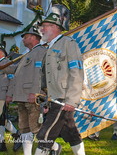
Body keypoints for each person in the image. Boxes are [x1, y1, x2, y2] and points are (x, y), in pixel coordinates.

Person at [34, 13, 85, 155]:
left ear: (55, 27)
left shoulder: (69, 43)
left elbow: (77, 71)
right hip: (54, 99)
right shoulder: (49, 48)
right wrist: (46, 100)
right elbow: (47, 78)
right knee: (70, 132)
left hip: (63, 99)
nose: (41, 29)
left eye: (44, 26)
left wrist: (72, 100)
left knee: (45, 135)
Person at [4, 27, 47, 155]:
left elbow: (39, 73)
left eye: (25, 37)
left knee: (36, 128)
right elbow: (13, 70)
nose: (22, 39)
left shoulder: (40, 51)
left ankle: (54, 147)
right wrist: (3, 60)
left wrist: (34, 92)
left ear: (33, 37)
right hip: (22, 96)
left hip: (32, 96)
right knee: (24, 128)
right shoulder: (27, 53)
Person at [0, 43, 22, 152]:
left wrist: (9, 94)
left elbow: (12, 78)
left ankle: (15, 135)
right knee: (1, 119)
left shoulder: (6, 63)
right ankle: (3, 142)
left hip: (2, 95)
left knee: (2, 119)